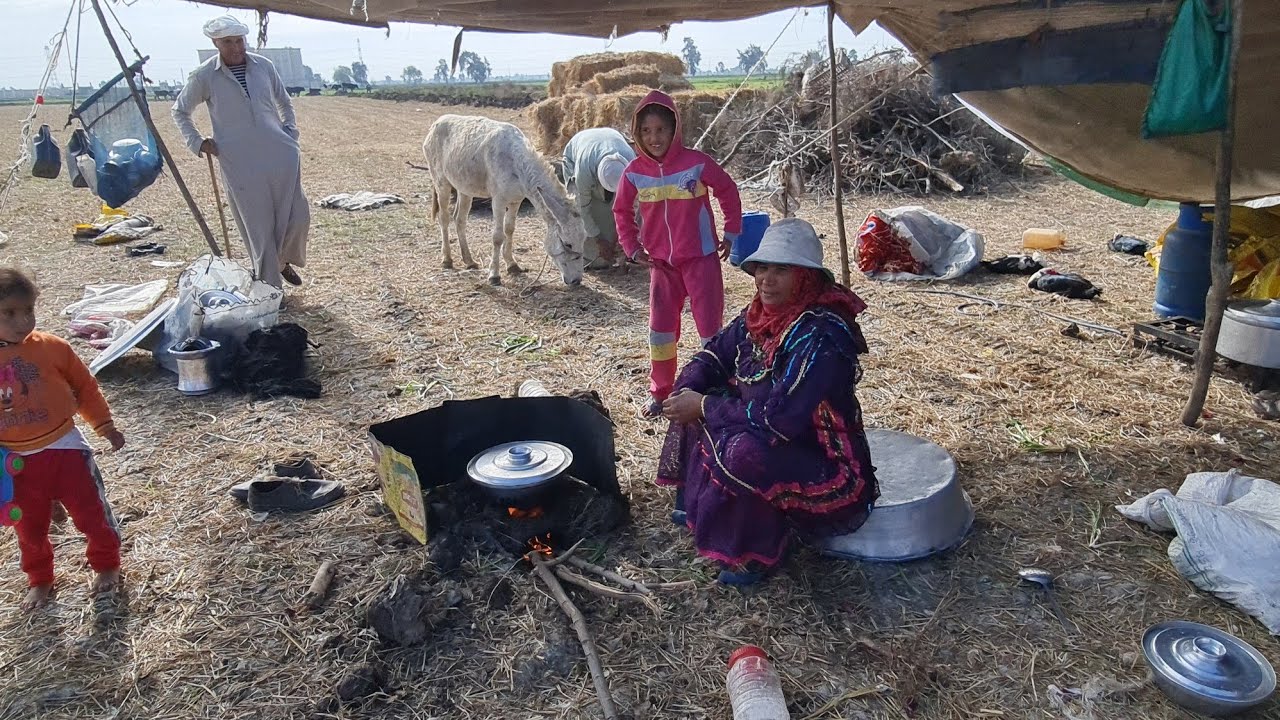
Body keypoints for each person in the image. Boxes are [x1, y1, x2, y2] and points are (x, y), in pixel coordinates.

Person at [654, 219, 879, 586]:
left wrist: (706, 406)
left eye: (781, 270)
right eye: (762, 268)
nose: (766, 279)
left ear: (806, 277)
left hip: (824, 463)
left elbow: (781, 420)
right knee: (692, 397)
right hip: (768, 431)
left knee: (741, 452)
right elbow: (715, 354)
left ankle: (761, 547)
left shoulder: (820, 335)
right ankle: (699, 508)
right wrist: (689, 385)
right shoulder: (760, 314)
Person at [0, 269, 126, 611]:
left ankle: (107, 564)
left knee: (90, 513)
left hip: (64, 448)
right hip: (17, 463)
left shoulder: (52, 348)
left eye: (28, 310)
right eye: (9, 313)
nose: (22, 321)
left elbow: (84, 388)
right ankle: (39, 580)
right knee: (29, 528)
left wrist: (104, 425)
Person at [612, 90, 742, 418]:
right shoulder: (633, 172)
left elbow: (727, 189)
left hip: (701, 259)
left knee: (710, 328)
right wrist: (631, 246)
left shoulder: (696, 163)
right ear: (637, 134)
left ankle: (714, 388)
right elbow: (621, 211)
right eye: (646, 131)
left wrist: (731, 232)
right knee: (660, 331)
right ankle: (660, 392)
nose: (654, 137)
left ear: (675, 130)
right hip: (660, 265)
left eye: (660, 130)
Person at [172, 15, 310, 289]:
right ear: (216, 43)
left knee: (298, 215)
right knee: (259, 227)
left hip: (280, 153)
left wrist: (290, 131)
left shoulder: (264, 67)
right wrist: (198, 142)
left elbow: (285, 101)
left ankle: (282, 261)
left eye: (239, 41)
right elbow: (180, 111)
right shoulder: (204, 76)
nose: (236, 48)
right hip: (239, 161)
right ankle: (270, 290)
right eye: (228, 42)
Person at [562, 127, 635, 270]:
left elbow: (633, 206)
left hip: (606, 139)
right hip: (575, 156)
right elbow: (582, 209)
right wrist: (599, 240)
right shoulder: (584, 172)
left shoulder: (631, 162)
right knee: (595, 258)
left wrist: (622, 236)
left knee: (610, 241)